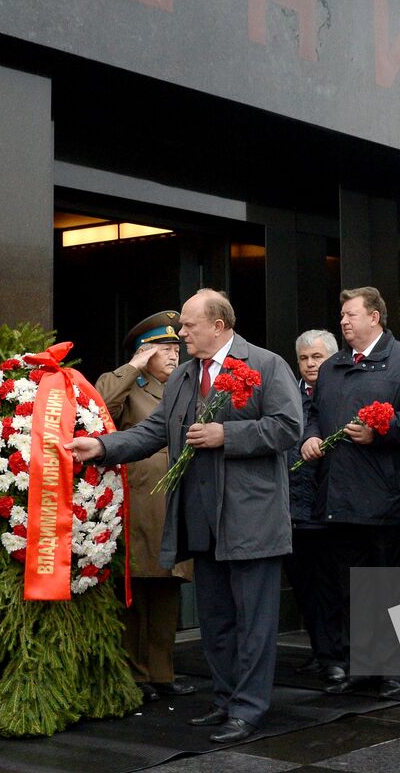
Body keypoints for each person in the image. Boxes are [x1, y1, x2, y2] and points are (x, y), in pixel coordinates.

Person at [68, 290, 302, 745]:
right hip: (199, 518)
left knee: (253, 620)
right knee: (216, 619)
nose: (181, 333)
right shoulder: (185, 377)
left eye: (189, 325)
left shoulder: (267, 365)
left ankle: (249, 710)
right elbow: (155, 431)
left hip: (250, 520)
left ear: (219, 326)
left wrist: (225, 434)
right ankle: (226, 699)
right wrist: (101, 447)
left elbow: (288, 427)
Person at [298, 286, 400, 696]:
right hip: (339, 499)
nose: (343, 321)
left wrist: (383, 430)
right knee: (352, 587)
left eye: (351, 314)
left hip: (389, 499)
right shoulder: (334, 366)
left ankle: (397, 670)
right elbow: (315, 413)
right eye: (341, 315)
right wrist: (311, 436)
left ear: (375, 317)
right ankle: (364, 663)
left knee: (394, 587)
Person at [95, 310, 195, 703]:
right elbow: (99, 404)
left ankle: (162, 672)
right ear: (143, 351)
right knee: (136, 590)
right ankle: (135, 675)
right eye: (164, 348)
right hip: (139, 500)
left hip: (175, 498)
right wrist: (131, 366)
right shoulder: (129, 384)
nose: (174, 354)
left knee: (168, 589)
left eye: (176, 347)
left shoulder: (186, 385)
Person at [286, 329, 340, 676]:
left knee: (331, 587)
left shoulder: (340, 390)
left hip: (332, 509)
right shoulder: (288, 393)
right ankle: (321, 651)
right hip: (293, 509)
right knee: (304, 585)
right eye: (304, 358)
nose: (309, 364)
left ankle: (337, 656)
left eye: (316, 357)